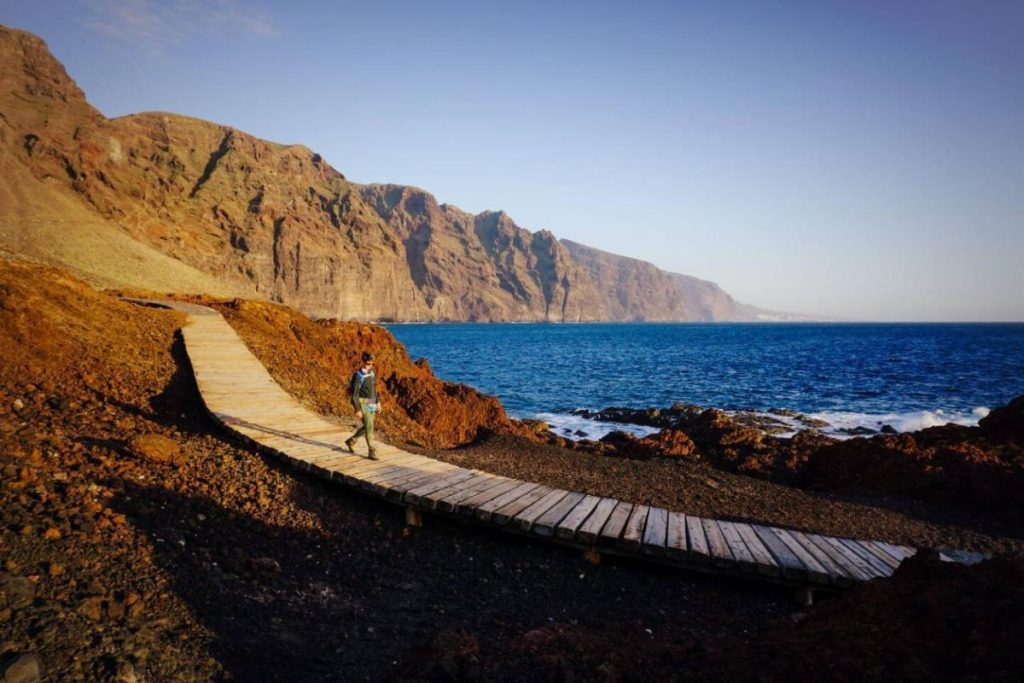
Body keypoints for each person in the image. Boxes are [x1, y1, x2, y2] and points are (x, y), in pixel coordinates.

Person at [345, 352, 380, 460]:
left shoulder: (372, 372)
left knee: (368, 426)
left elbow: (374, 389)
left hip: (372, 403)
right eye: (368, 363)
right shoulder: (358, 375)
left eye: (371, 364)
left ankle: (351, 441)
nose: (370, 366)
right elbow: (354, 395)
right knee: (370, 427)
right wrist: (358, 409)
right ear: (362, 362)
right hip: (362, 403)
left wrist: (378, 402)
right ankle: (371, 451)